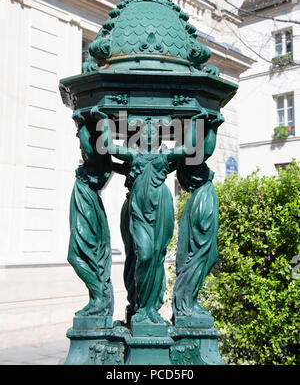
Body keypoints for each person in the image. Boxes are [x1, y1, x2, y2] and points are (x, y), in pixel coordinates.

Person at [91, 108, 207, 324]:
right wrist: (102, 120)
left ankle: (151, 308)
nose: (150, 135)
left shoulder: (164, 156)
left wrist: (197, 121)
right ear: (139, 136)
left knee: (156, 256)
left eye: (154, 132)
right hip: (139, 208)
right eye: (146, 132)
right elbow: (108, 145)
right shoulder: (133, 155)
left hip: (161, 205)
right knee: (144, 255)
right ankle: (140, 306)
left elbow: (190, 147)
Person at [172, 113, 224, 324]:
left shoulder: (187, 157)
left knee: (205, 254)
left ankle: (188, 300)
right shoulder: (189, 157)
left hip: (202, 197)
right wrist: (211, 125)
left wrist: (209, 125)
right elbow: (207, 149)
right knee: (201, 253)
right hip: (202, 199)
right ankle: (186, 303)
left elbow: (204, 149)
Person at [68, 110, 113, 317]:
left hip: (86, 197)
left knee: (76, 254)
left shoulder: (97, 154)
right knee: (84, 253)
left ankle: (99, 297)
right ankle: (98, 296)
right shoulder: (102, 155)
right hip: (85, 196)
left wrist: (84, 119)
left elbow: (86, 141)